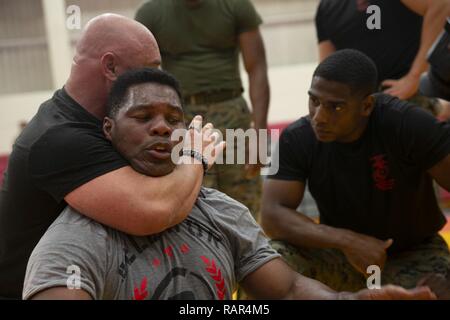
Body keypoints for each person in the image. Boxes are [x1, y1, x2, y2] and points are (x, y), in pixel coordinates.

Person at [22, 68, 436, 300]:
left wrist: (350, 301)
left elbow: (287, 289)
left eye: (173, 117)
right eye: (143, 116)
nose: (162, 127)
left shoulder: (221, 210)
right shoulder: (75, 240)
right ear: (108, 130)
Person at [0, 14, 222, 299]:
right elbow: (154, 210)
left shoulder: (102, 123)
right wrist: (194, 157)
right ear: (111, 67)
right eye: (150, 68)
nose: (156, 79)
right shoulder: (57, 137)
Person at [261, 49, 450, 296]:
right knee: (266, 267)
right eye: (314, 101)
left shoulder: (405, 123)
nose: (319, 117)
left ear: (366, 106)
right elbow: (272, 215)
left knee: (440, 289)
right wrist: (348, 241)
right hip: (338, 254)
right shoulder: (298, 137)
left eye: (335, 107)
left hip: (414, 252)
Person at [135, 0, 270, 219]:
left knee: (244, 202)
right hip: (180, 117)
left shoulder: (236, 6)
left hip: (231, 111)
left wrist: (260, 133)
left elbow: (257, 67)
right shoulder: (151, 12)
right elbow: (142, 75)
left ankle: (248, 253)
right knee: (193, 201)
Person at [315, 0, 450, 115]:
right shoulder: (326, 8)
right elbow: (328, 70)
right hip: (361, 108)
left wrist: (415, 77)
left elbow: (441, 5)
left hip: (405, 99)